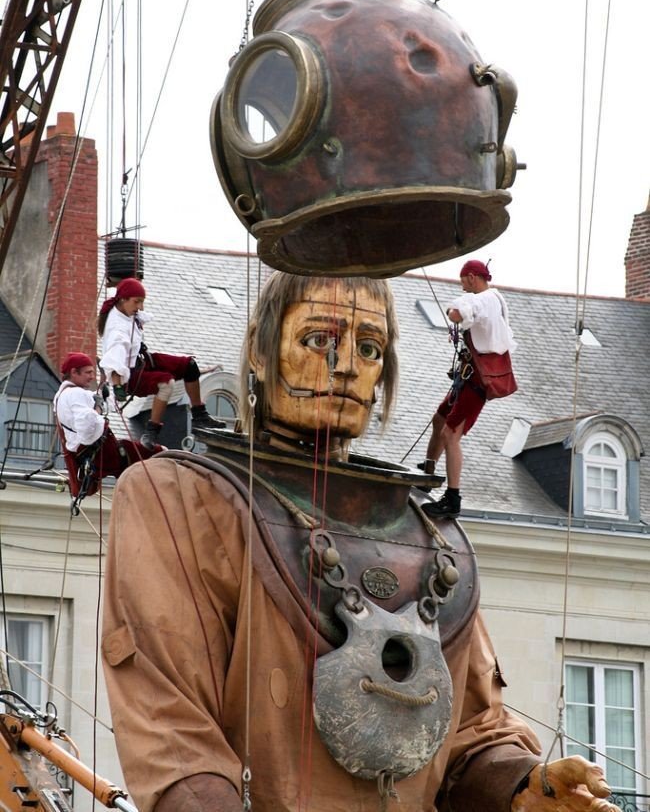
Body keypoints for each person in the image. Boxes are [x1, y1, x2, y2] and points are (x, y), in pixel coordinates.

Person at [101, 273, 616, 812]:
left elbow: (472, 735)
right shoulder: (182, 497)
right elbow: (175, 734)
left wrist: (525, 787)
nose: (345, 364)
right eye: (319, 340)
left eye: (368, 348)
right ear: (260, 349)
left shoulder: (428, 534)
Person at [421, 260, 517, 519]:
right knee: (439, 418)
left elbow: (460, 312)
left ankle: (452, 498)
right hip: (470, 376)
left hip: (476, 382)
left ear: (472, 277)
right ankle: (427, 471)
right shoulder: (495, 298)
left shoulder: (483, 299)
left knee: (451, 433)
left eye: (463, 281)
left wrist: (453, 310)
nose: (462, 287)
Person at [98, 277, 224, 449]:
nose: (140, 307)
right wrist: (119, 388)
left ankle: (199, 416)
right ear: (123, 299)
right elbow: (114, 361)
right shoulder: (117, 331)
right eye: (137, 302)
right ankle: (151, 431)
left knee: (189, 365)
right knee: (166, 384)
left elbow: (137, 312)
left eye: (142, 302)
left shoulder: (126, 311)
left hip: (142, 361)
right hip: (129, 376)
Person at [53, 352, 161, 503]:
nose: (91, 377)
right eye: (88, 372)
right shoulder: (75, 394)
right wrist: (98, 408)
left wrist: (100, 395)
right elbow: (86, 425)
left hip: (94, 455)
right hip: (104, 453)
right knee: (158, 454)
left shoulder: (62, 395)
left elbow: (93, 405)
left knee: (134, 473)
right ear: (73, 372)